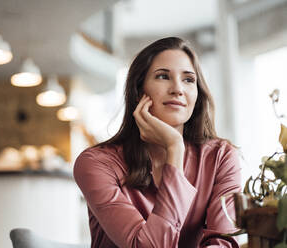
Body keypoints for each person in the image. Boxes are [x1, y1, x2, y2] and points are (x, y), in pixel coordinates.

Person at [73, 37, 242, 248]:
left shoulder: (220, 157)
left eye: (189, 79)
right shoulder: (96, 163)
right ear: (138, 91)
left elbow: (224, 243)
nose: (178, 89)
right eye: (163, 76)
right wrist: (174, 149)